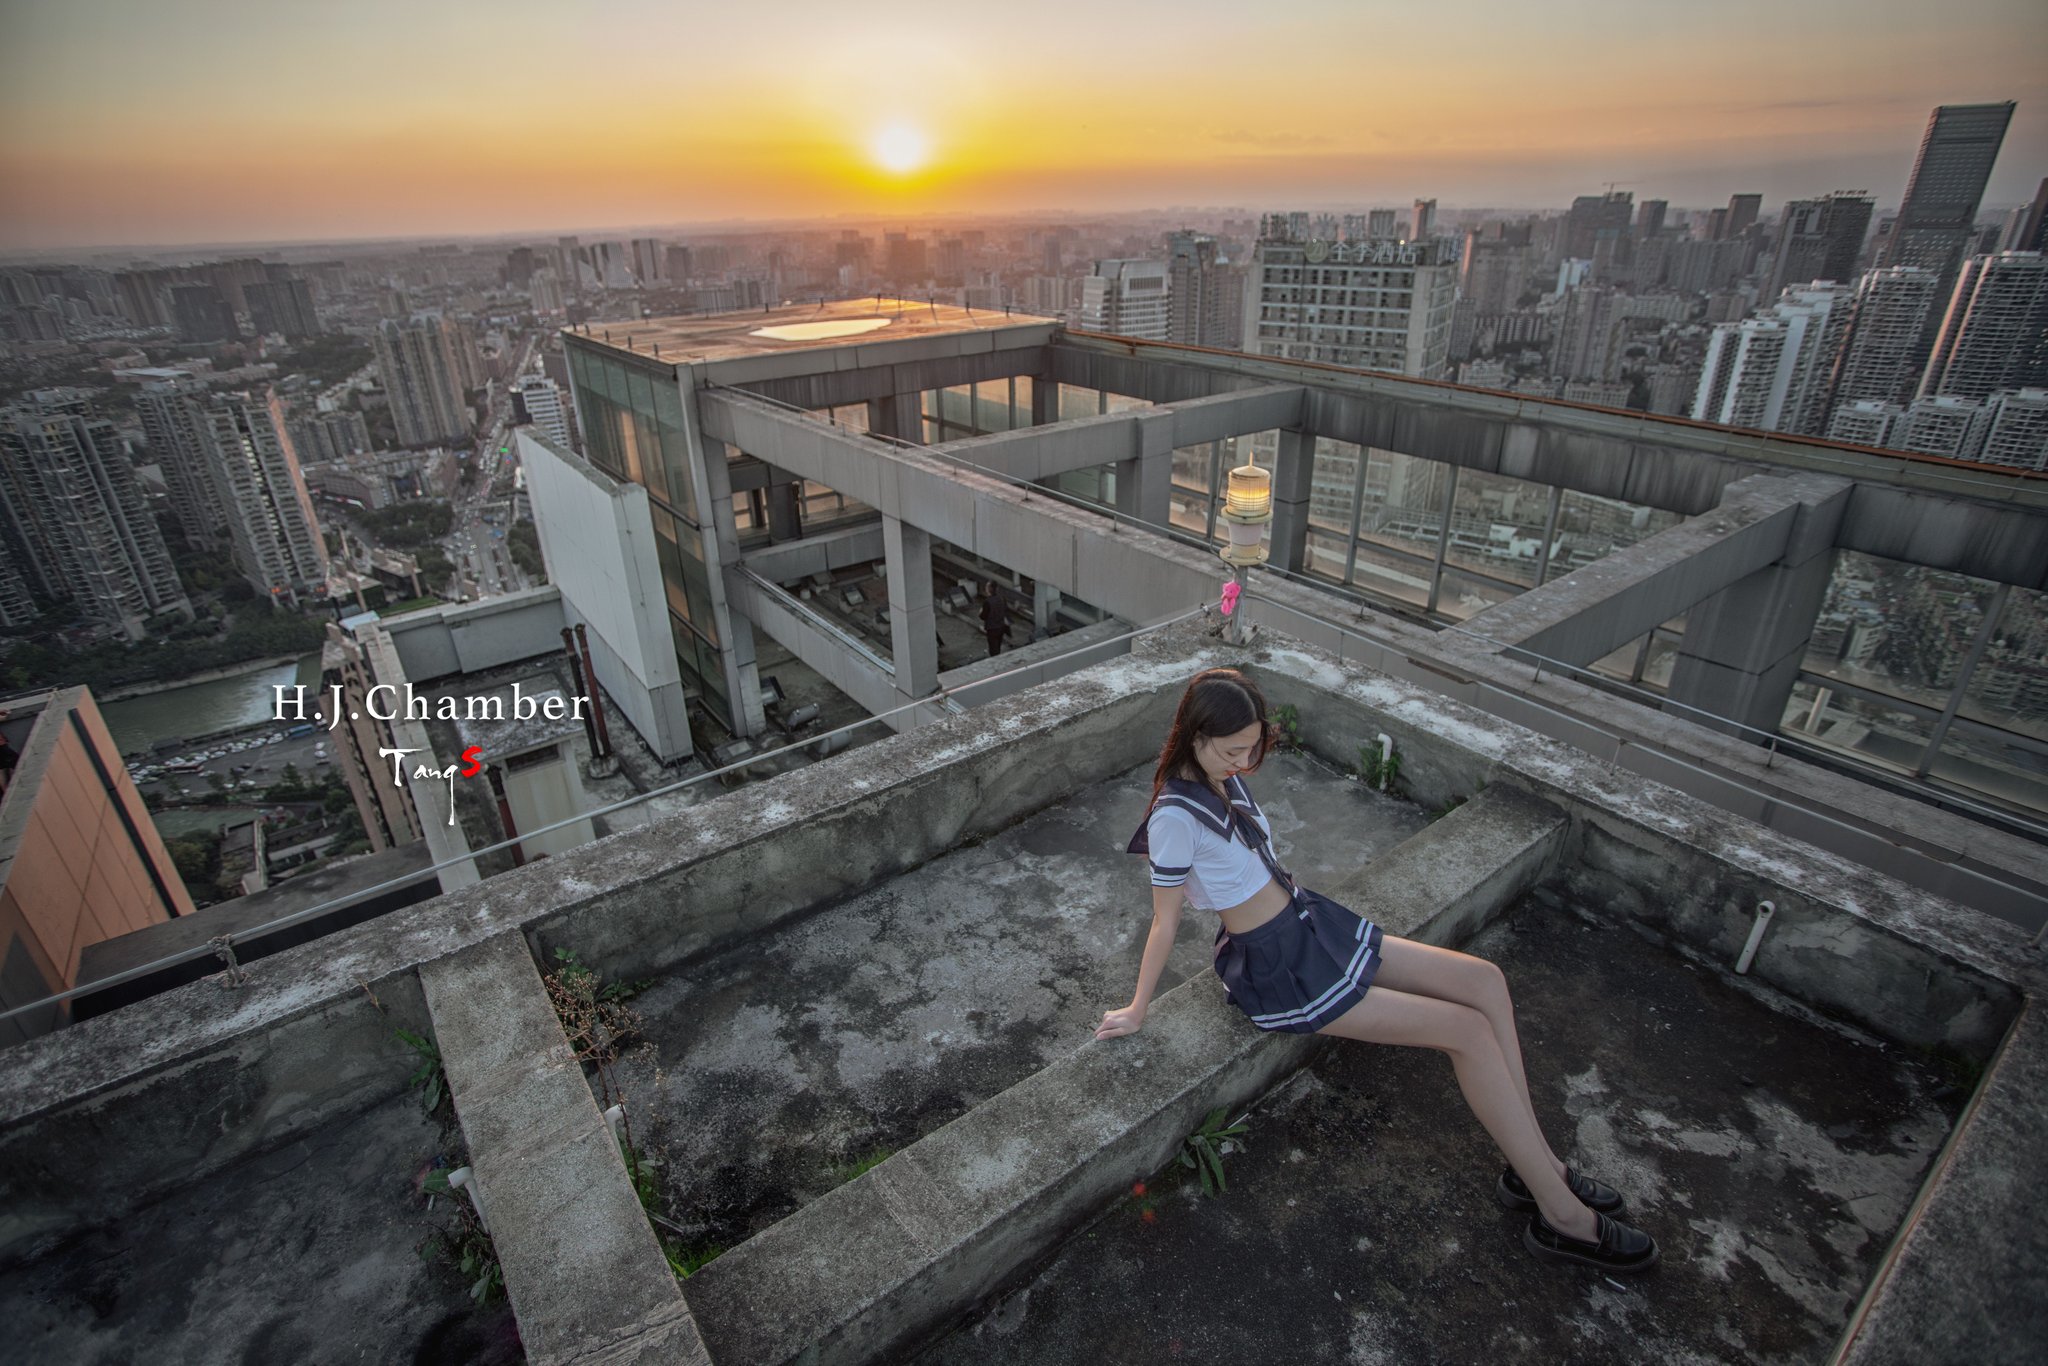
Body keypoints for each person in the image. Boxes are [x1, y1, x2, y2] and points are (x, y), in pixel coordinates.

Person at [1096, 667, 1657, 1273]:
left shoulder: (1220, 779)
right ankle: (1563, 1217)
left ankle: (1537, 1167)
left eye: (1252, 749)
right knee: (1466, 1030)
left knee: (1485, 981)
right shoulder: (1174, 816)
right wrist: (1138, 1008)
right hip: (1282, 968)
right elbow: (1165, 921)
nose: (1244, 762)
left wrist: (1235, 773)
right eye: (1233, 750)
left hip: (1313, 925)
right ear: (1196, 735)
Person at [979, 580, 1008, 659]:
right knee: (998, 645)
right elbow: (1005, 610)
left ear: (989, 589)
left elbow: (983, 616)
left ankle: (995, 660)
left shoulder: (987, 602)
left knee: (993, 649)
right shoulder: (1002, 598)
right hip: (1001, 626)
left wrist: (980, 612)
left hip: (992, 628)